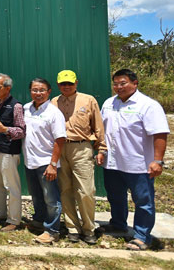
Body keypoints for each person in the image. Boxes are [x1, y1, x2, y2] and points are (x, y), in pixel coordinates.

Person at [100, 69, 169, 251]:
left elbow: (160, 133)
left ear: (135, 83)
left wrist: (158, 161)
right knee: (115, 197)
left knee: (143, 201)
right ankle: (118, 224)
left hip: (138, 164)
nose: (118, 87)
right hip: (113, 162)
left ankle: (141, 236)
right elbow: (103, 130)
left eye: (123, 83)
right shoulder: (109, 103)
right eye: (115, 83)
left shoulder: (147, 105)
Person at [51, 70, 106, 244]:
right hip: (60, 148)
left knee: (86, 191)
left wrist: (101, 149)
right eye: (62, 84)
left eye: (69, 83)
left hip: (81, 148)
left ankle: (89, 228)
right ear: (58, 85)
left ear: (76, 83)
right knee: (65, 189)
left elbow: (98, 126)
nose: (66, 87)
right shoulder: (54, 102)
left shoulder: (88, 100)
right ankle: (72, 227)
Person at [23, 78, 66, 244]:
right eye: (34, 90)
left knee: (51, 199)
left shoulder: (54, 113)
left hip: (46, 163)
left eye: (42, 90)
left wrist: (53, 164)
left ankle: (52, 230)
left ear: (49, 92)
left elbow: (60, 140)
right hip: (30, 161)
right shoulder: (27, 108)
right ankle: (39, 222)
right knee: (36, 195)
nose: (38, 93)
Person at [0, 73, 26, 232]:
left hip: (8, 151)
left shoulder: (16, 106)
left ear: (8, 88)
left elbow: (22, 130)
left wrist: (6, 130)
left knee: (12, 186)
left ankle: (14, 220)